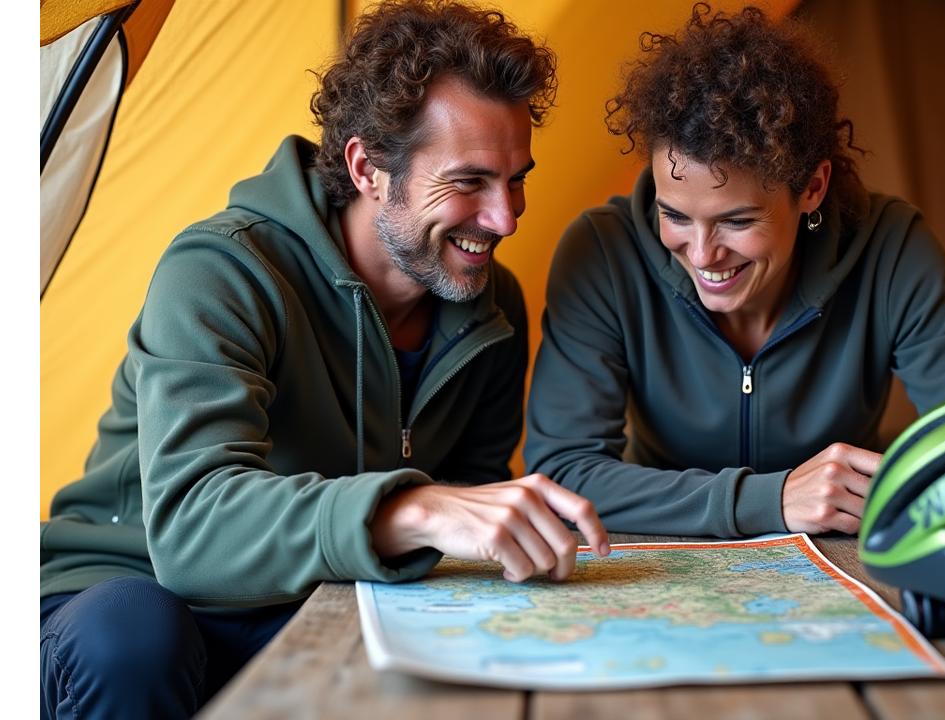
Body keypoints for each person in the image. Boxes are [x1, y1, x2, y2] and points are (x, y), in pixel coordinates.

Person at [39, 2, 608, 717]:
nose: (505, 218)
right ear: (367, 167)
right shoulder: (222, 270)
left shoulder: (491, 313)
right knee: (133, 637)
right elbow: (193, 528)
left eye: (517, 178)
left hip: (317, 597)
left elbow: (473, 508)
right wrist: (415, 507)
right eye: (469, 182)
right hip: (125, 586)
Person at [524, 3, 945, 539]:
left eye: (737, 220)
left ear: (813, 189)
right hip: (658, 556)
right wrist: (768, 500)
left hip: (838, 562)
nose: (703, 254)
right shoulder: (602, 253)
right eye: (674, 215)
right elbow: (561, 476)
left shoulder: (892, 248)